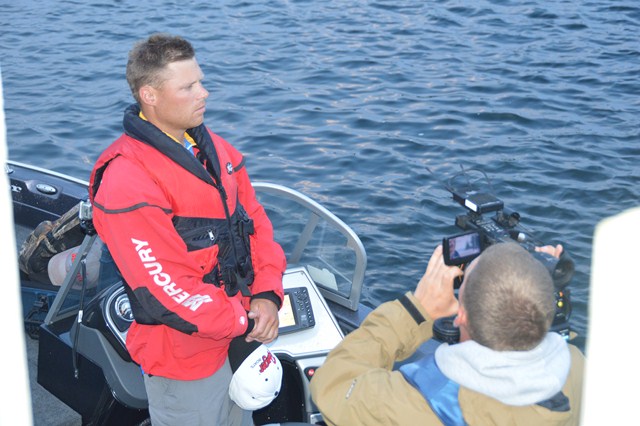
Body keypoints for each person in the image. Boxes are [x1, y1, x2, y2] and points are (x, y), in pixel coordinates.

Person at [88, 33, 286, 426]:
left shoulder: (217, 152)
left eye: (200, 82)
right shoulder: (127, 181)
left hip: (241, 339)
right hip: (185, 361)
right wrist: (243, 319)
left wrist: (266, 294)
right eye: (189, 86)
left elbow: (256, 224)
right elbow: (163, 287)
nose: (204, 93)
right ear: (150, 96)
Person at [310, 242, 584, 425]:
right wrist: (535, 283)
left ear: (461, 316)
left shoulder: (420, 403)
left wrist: (415, 310)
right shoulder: (576, 367)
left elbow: (331, 385)